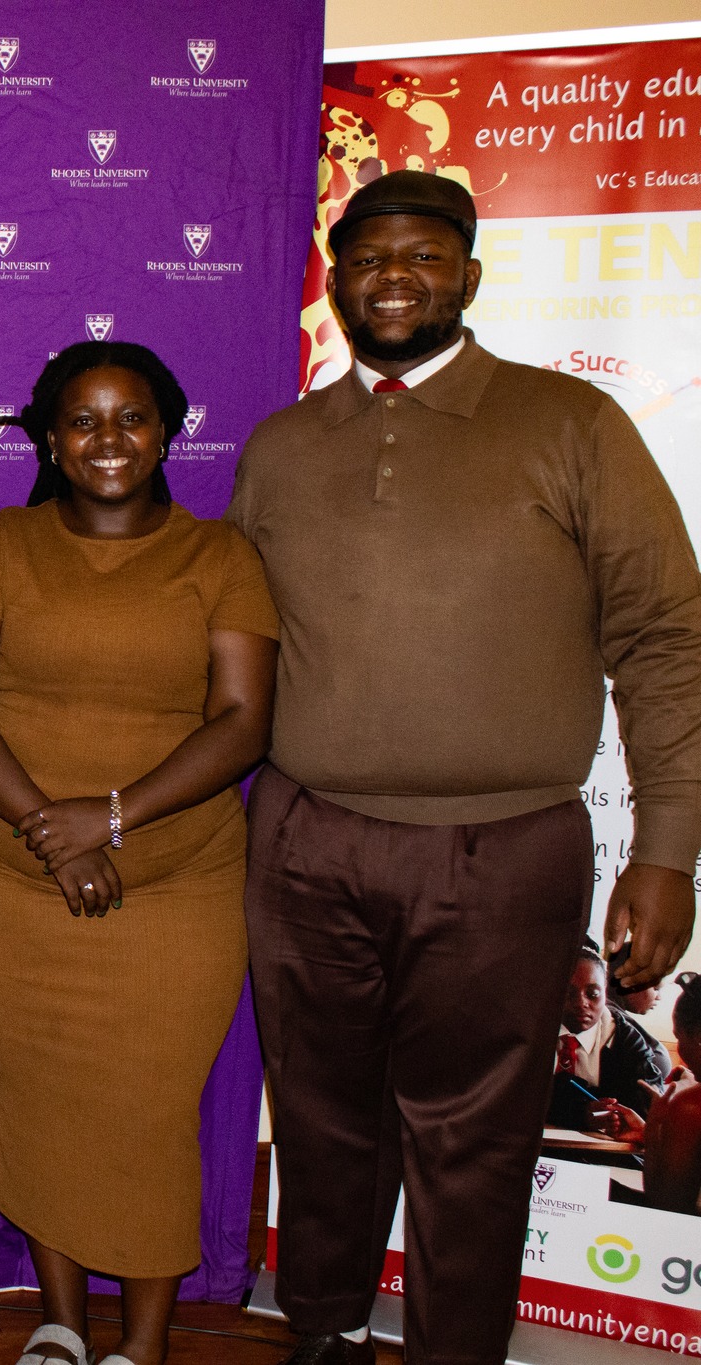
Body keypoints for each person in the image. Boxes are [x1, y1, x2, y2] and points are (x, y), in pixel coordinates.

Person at [229, 169, 701, 1365]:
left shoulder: (569, 424)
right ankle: (324, 1332)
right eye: (367, 259)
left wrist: (664, 850)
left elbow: (662, 641)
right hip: (305, 842)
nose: (393, 278)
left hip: (504, 851)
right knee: (325, 1122)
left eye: (422, 257)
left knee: (472, 1139)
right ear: (333, 286)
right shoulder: (280, 447)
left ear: (469, 278)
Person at [0, 342, 278, 1365]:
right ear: (48, 438)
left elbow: (242, 720)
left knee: (146, 1109)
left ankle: (145, 1345)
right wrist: (52, 830)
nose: (107, 439)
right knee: (40, 1094)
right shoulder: (2, 544)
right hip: (5, 881)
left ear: (167, 432)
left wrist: (111, 819)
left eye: (130, 417)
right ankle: (63, 1328)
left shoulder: (221, 559)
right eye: (81, 420)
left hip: (180, 884)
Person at [550, 941, 668, 1132]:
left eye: (593, 994)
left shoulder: (625, 1040)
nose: (582, 1003)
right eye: (568, 993)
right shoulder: (534, 1031)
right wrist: (581, 1111)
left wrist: (613, 1116)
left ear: (605, 992)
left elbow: (644, 1105)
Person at [641, 974, 701, 1212]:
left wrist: (654, 1129)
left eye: (678, 1037)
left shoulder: (691, 1107)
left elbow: (665, 1206)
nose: (679, 1048)